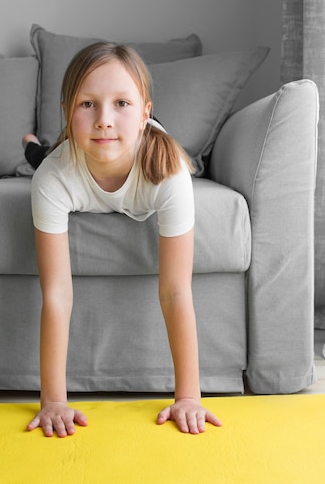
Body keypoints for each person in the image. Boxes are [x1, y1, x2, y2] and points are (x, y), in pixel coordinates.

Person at [24, 42, 222, 438]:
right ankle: (32, 145)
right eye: (87, 105)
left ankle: (123, 113)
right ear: (66, 110)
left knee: (157, 146)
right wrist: (53, 401)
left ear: (146, 113)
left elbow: (175, 291)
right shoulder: (53, 177)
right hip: (65, 156)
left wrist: (189, 396)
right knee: (39, 157)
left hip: (148, 148)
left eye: (121, 103)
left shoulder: (169, 175)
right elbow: (57, 294)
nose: (103, 120)